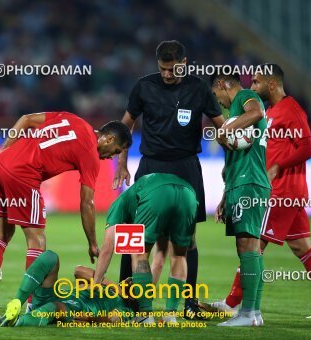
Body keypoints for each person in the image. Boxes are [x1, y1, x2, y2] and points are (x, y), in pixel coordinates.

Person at [203, 64, 311, 320]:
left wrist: (277, 166)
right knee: (303, 247)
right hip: (288, 190)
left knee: (252, 242)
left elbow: (308, 148)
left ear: (272, 84)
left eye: (256, 83)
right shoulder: (270, 111)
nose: (252, 87)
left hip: (282, 189)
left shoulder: (291, 109)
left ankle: (233, 303)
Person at [0, 112, 132, 319]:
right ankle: (33, 306)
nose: (111, 157)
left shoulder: (74, 120)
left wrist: (1, 151)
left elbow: (26, 119)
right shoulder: (90, 155)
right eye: (115, 151)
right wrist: (92, 242)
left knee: (1, 234)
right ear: (109, 139)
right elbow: (87, 202)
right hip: (23, 175)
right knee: (37, 240)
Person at [112, 40, 225, 319]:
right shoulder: (144, 86)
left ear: (184, 63)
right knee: (135, 238)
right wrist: (122, 164)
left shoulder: (199, 88)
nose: (166, 74)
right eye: (162, 69)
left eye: (172, 69)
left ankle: (188, 304)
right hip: (150, 165)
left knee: (187, 241)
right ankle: (128, 302)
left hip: (186, 167)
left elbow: (222, 129)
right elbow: (124, 126)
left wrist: (231, 171)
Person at [94, 173, 198, 324]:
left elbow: (107, 248)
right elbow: (159, 261)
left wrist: (95, 285)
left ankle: (145, 315)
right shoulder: (142, 208)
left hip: (156, 194)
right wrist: (143, 288)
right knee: (179, 256)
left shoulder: (118, 205)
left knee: (138, 253)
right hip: (188, 193)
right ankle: (170, 315)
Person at [211, 72, 271, 326]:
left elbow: (256, 112)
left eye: (216, 96)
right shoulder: (234, 114)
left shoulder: (246, 97)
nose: (219, 103)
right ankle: (253, 313)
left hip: (249, 182)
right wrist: (225, 196)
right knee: (248, 248)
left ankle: (248, 313)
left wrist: (225, 130)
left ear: (223, 85)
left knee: (248, 247)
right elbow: (232, 160)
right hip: (239, 183)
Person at [0, 250, 139, 327]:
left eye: (132, 283)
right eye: (130, 279)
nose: (129, 280)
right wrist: (114, 286)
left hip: (74, 308)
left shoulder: (126, 309)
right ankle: (16, 302)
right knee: (50, 257)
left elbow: (112, 319)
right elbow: (79, 271)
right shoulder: (110, 286)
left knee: (56, 307)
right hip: (55, 295)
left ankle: (16, 322)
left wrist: (89, 318)